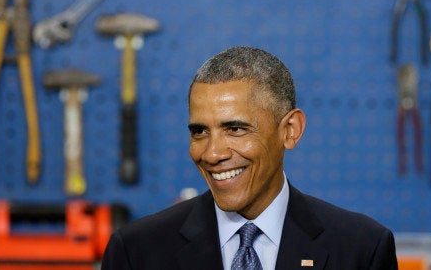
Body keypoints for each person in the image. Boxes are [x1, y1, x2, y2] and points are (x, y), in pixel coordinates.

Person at [101, 46, 398, 270]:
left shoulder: (362, 249)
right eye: (200, 132)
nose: (213, 153)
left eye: (235, 129)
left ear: (290, 131)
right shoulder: (135, 252)